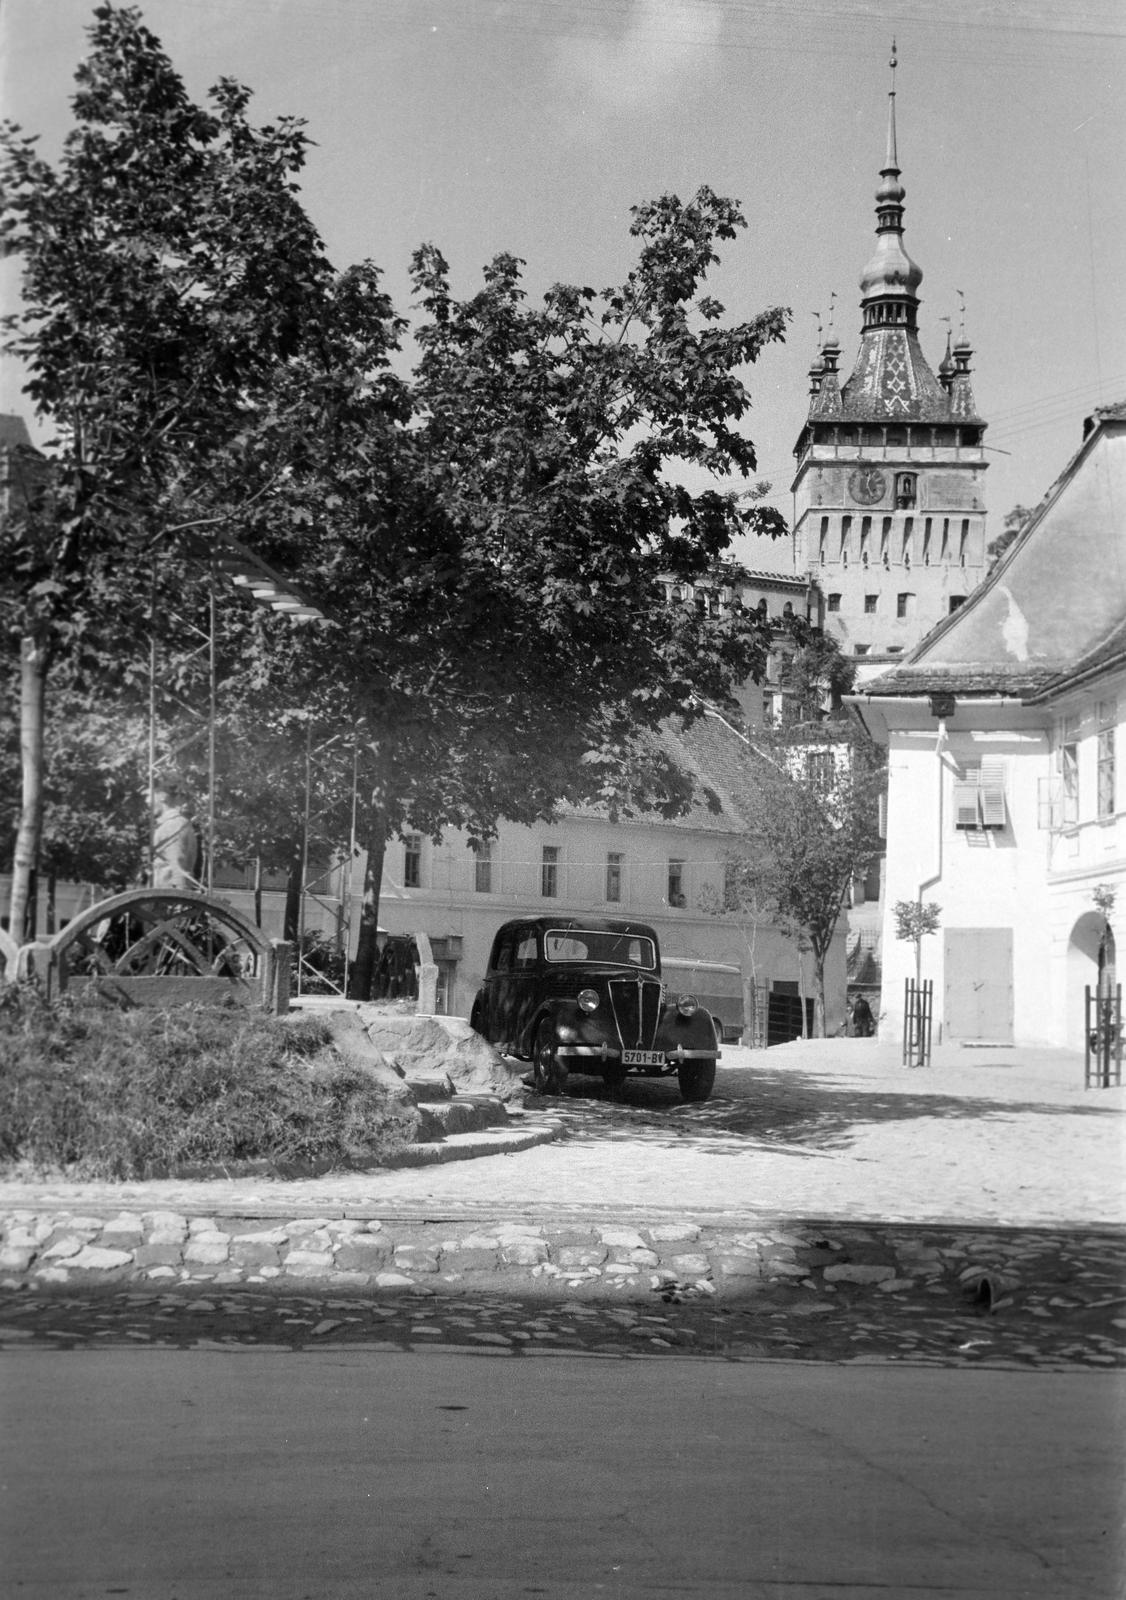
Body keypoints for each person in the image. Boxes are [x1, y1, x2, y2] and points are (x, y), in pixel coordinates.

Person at [151, 781, 200, 888]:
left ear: (162, 797)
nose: (147, 801)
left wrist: (178, 902)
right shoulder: (170, 824)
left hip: (168, 897)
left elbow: (178, 868)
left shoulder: (172, 825)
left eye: (149, 797)